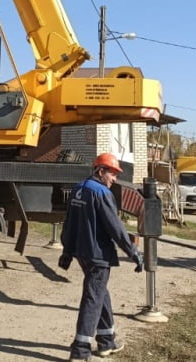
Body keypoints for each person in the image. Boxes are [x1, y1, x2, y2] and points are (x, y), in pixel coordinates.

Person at [58, 152, 143, 361]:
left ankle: (107, 341)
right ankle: (80, 350)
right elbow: (116, 229)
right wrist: (133, 253)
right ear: (100, 171)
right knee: (93, 298)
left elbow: (69, 223)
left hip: (83, 253)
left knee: (99, 292)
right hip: (98, 255)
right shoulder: (102, 193)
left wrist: (67, 251)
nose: (114, 179)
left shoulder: (79, 189)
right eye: (112, 174)